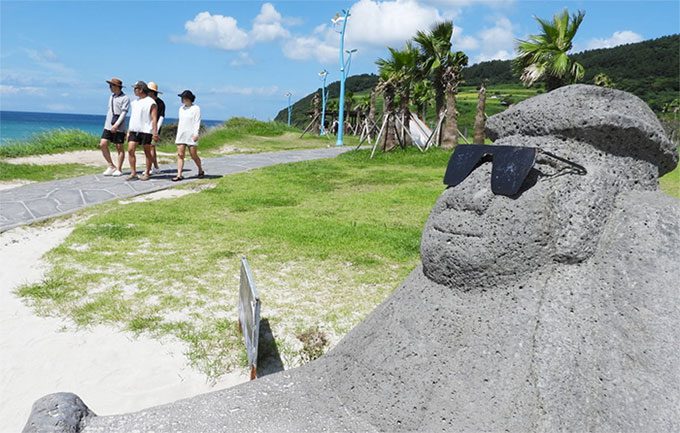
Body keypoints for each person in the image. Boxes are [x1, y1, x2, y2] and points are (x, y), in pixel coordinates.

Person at [126, 81, 158, 181]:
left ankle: (147, 172)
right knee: (130, 150)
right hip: (134, 129)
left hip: (146, 130)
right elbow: (133, 117)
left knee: (147, 151)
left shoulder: (151, 102)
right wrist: (128, 130)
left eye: (136, 88)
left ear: (141, 89)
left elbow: (154, 118)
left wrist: (155, 132)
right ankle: (133, 172)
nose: (134, 90)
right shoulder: (134, 102)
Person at [100, 77, 129, 176]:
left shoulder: (125, 98)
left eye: (111, 85)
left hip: (119, 126)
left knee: (119, 147)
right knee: (103, 144)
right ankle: (111, 165)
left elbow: (123, 113)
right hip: (108, 125)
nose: (110, 87)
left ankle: (119, 168)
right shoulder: (111, 97)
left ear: (117, 87)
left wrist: (117, 125)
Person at [173, 90, 204, 181]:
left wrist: (196, 133)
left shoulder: (196, 108)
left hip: (191, 134)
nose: (182, 100)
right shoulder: (181, 109)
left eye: (184, 98)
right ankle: (179, 174)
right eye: (182, 98)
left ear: (189, 99)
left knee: (193, 155)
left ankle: (200, 169)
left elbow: (197, 121)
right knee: (180, 154)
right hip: (181, 134)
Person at [147, 81, 165, 175]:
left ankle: (153, 167)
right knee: (149, 147)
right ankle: (155, 166)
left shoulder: (160, 103)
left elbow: (161, 117)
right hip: (146, 127)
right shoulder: (147, 101)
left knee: (151, 146)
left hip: (155, 127)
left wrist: (156, 130)